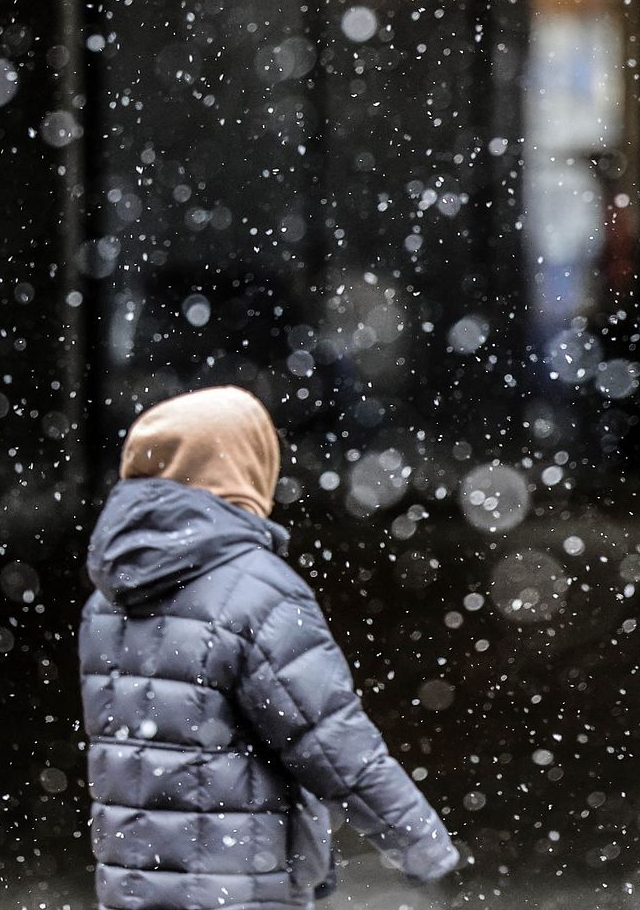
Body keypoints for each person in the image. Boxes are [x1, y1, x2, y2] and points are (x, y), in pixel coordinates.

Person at [79, 386, 459, 908]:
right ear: (240, 468)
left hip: (132, 885)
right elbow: (331, 741)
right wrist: (421, 845)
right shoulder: (256, 591)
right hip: (237, 886)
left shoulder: (106, 598)